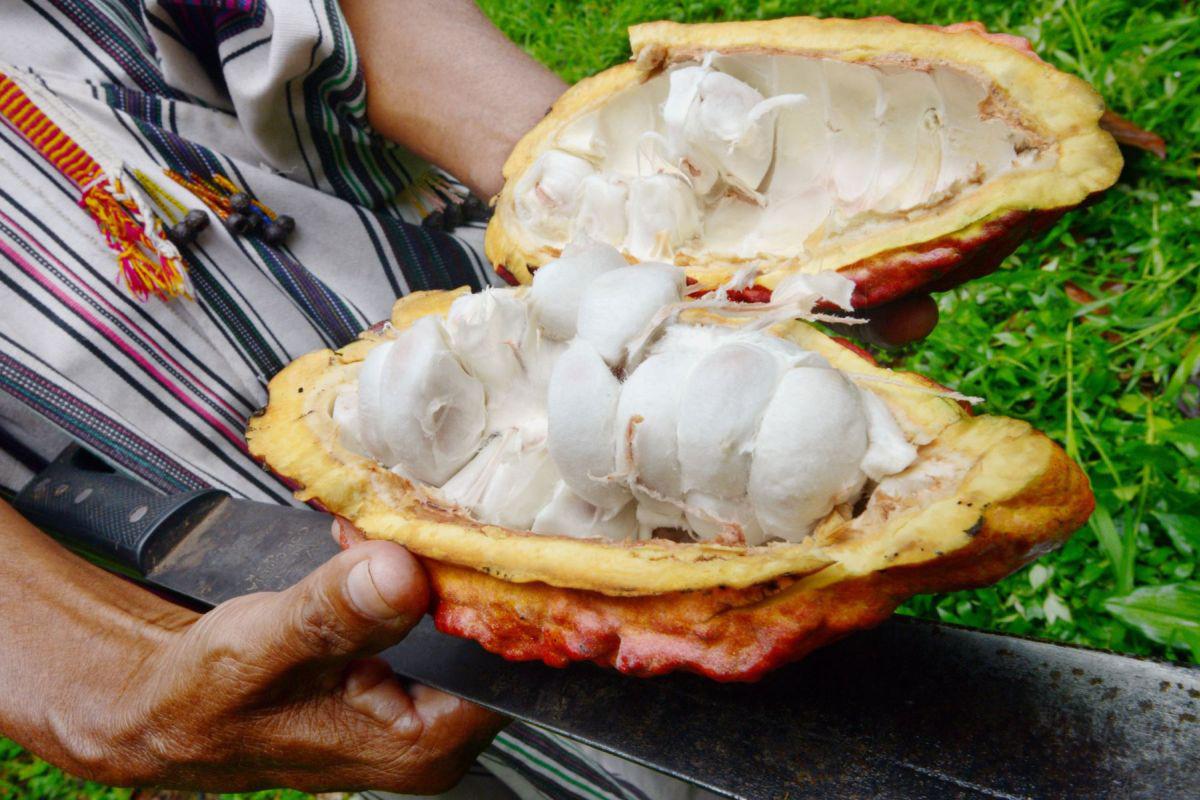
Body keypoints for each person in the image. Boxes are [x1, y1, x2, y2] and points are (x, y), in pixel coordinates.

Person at [0, 1, 945, 796]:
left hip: (489, 317)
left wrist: (598, 180)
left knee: (853, 676)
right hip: (174, 510)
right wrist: (95, 676)